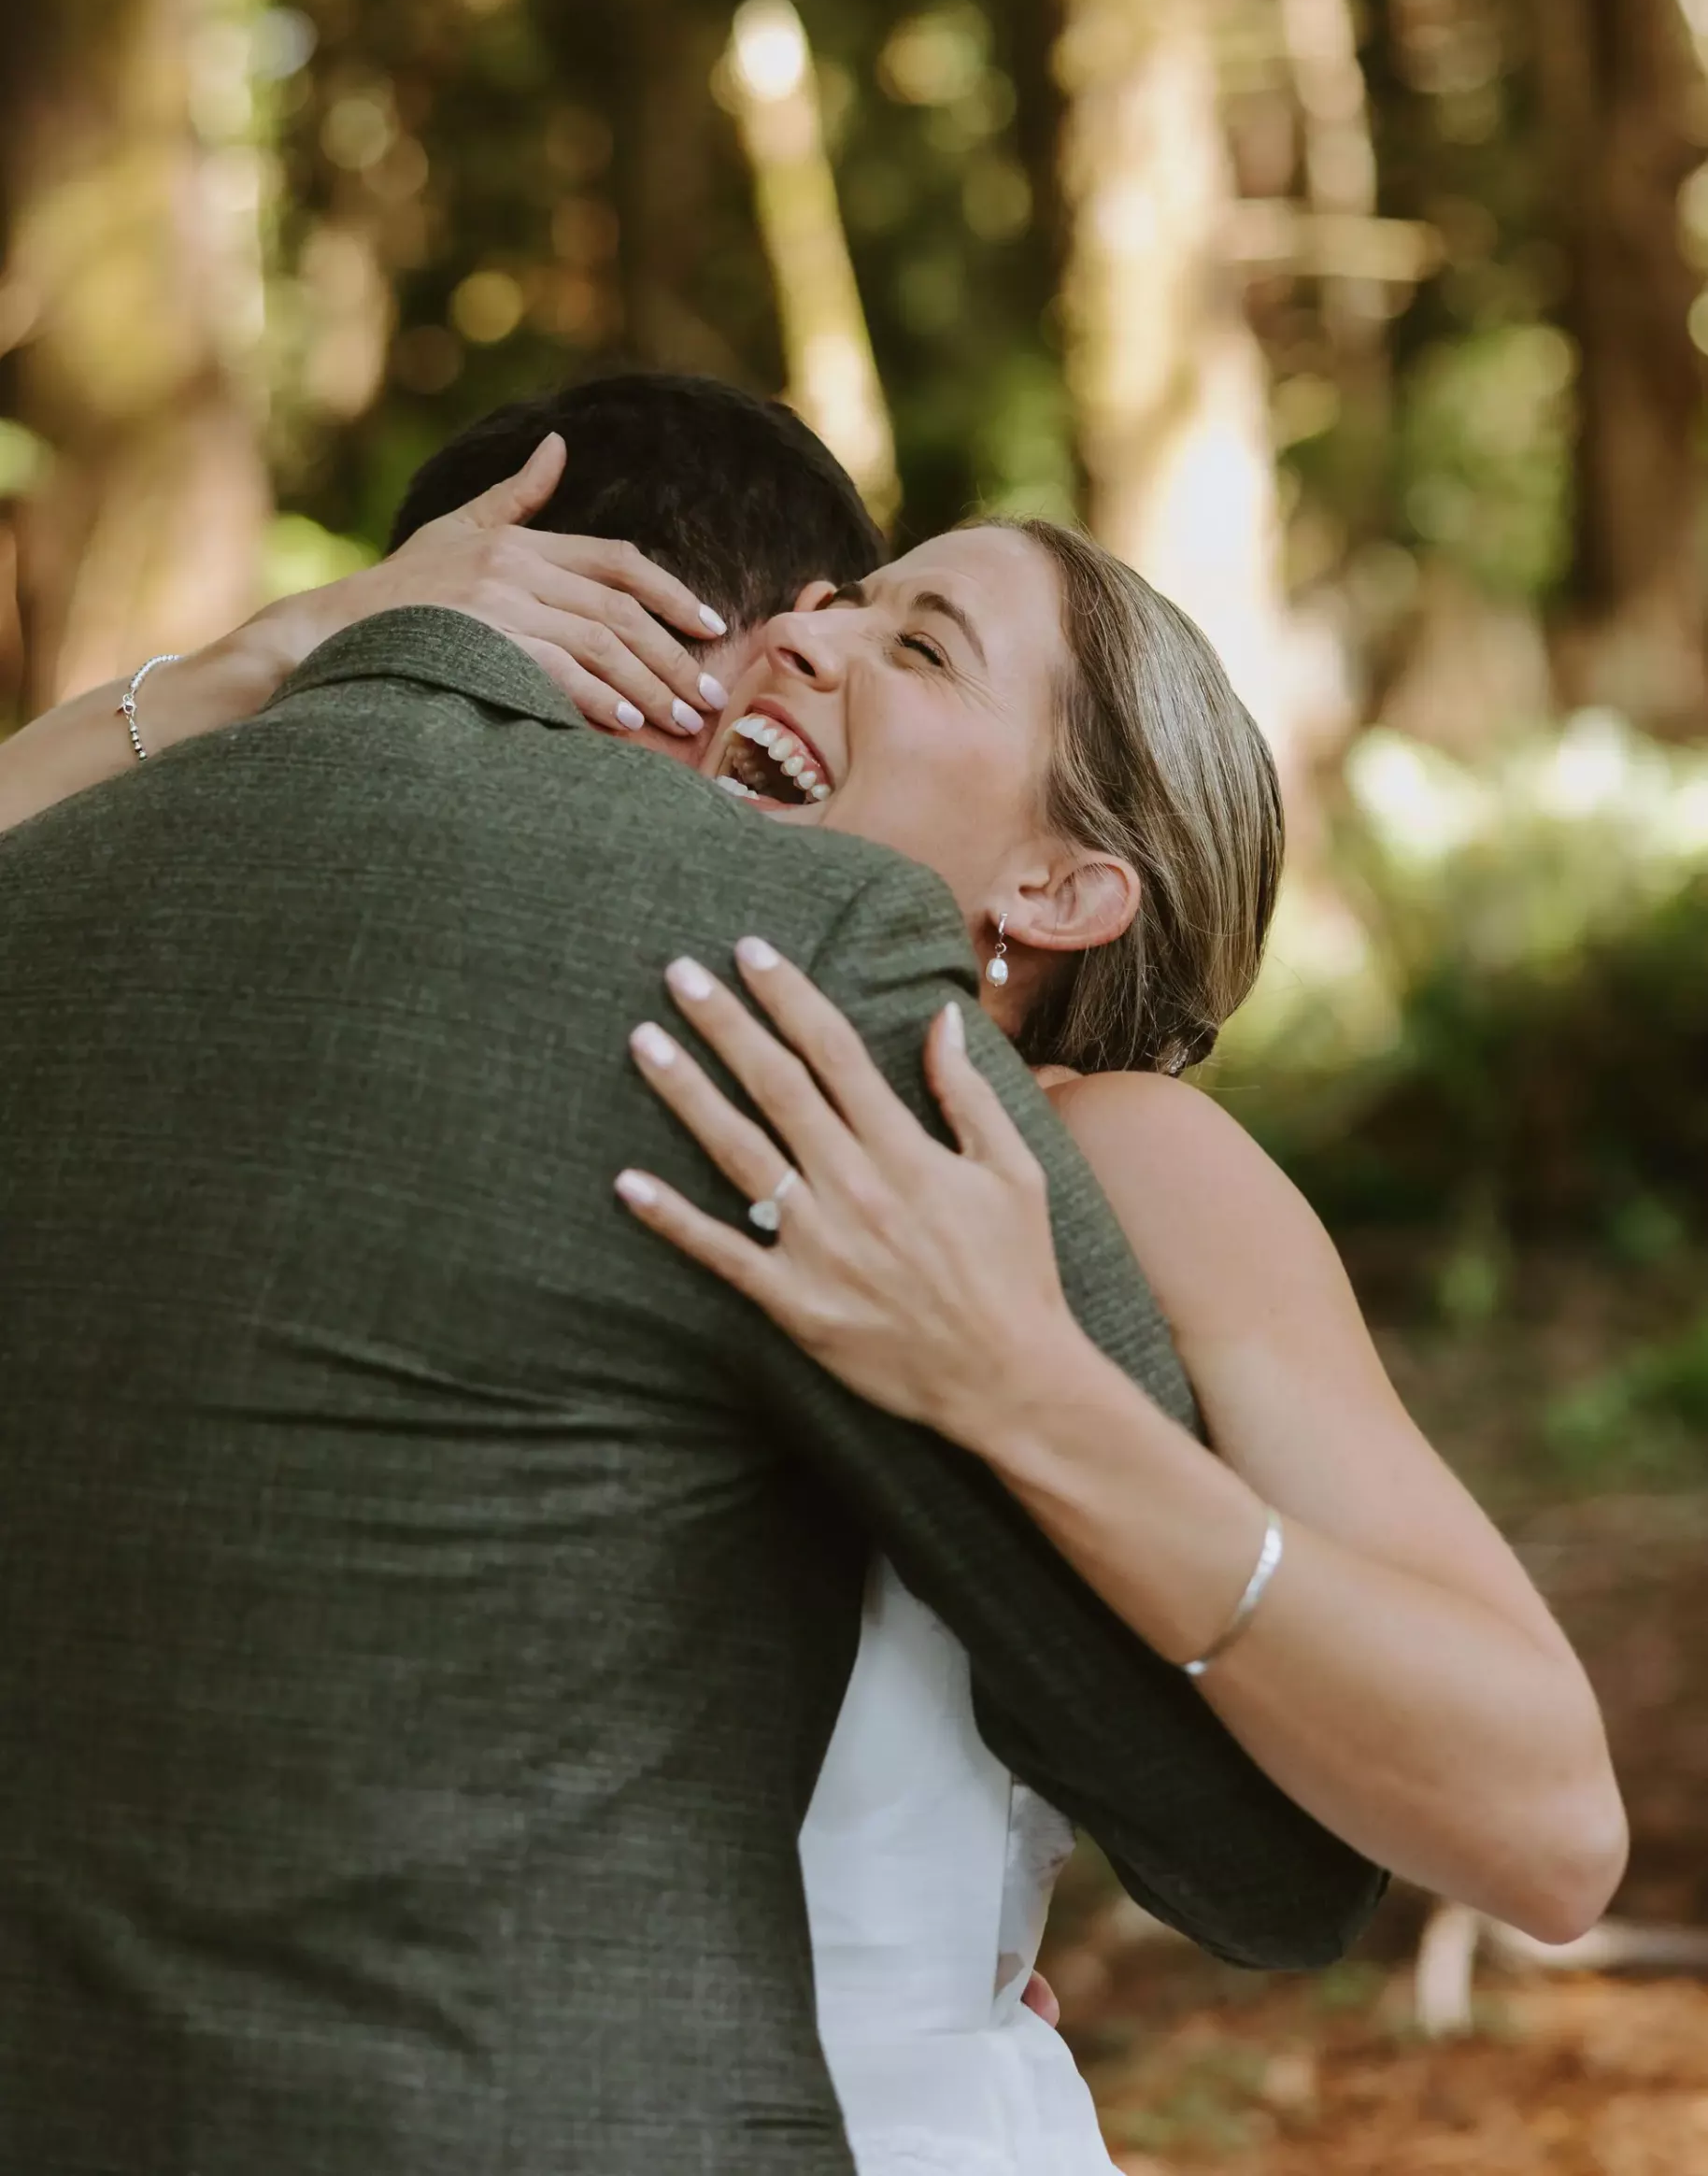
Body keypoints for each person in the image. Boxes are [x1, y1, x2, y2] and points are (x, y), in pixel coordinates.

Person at [0, 375, 1386, 2176]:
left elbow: (1318, 1822)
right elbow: (1263, 1862)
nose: (812, 661)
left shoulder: (1014, 1126)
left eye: (907, 641)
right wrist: (262, 659)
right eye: (824, 616)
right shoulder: (600, 1035)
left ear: (1063, 888)